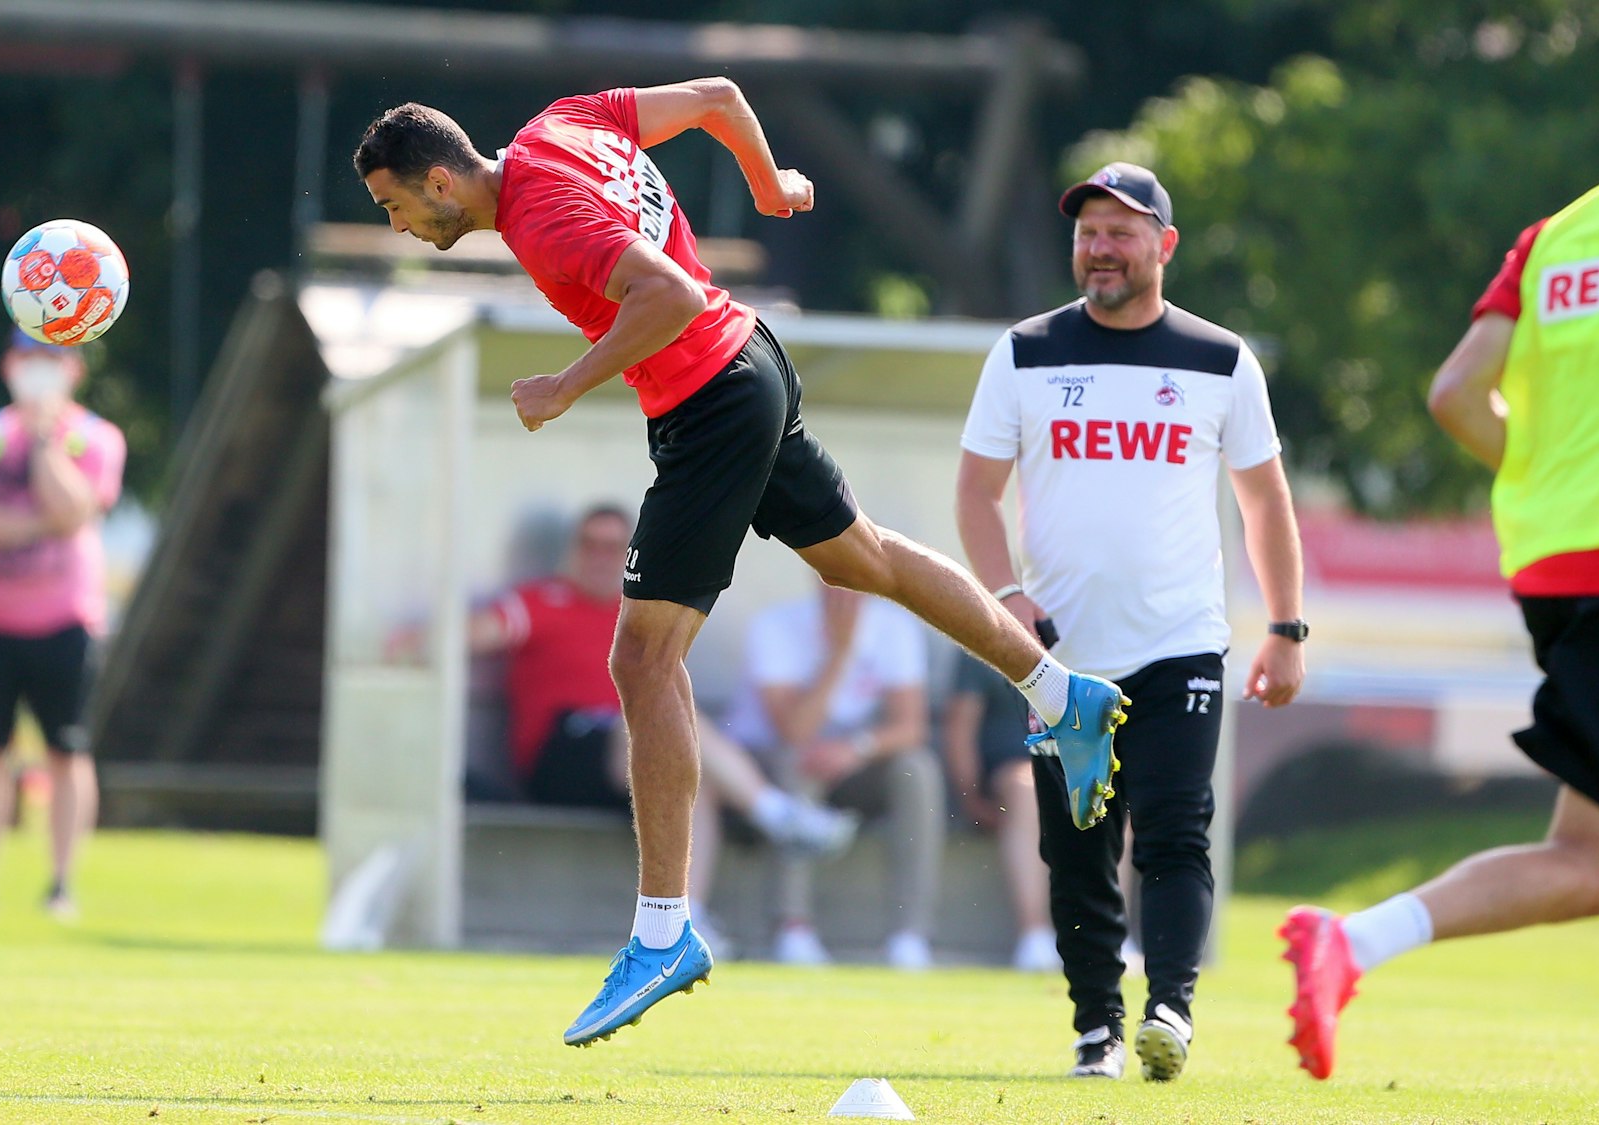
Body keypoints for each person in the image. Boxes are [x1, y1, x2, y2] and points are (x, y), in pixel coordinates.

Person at [353, 79, 1130, 1047]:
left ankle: (663, 933)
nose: (402, 226)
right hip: (747, 359)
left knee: (641, 659)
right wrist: (768, 184)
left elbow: (665, 293)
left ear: (437, 181)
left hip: (707, 397)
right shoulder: (560, 124)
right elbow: (717, 96)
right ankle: (1060, 692)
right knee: (864, 559)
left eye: (395, 207)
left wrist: (564, 383)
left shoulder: (541, 214)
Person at [1281, 16, 1599, 1125]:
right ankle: (1349, 941)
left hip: (1556, 563)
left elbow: (1453, 396)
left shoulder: (1557, 232)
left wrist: (1552, 468)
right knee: (1588, 870)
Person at [956, 161, 1306, 1081]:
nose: (1100, 248)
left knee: (1176, 829)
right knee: (1074, 851)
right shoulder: (1025, 351)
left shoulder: (1221, 360)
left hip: (1180, 643)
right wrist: (1005, 600)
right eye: (1088, 232)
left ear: (1164, 246)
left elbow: (1266, 504)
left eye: (1121, 231)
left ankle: (1171, 1011)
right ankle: (1096, 1030)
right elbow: (976, 492)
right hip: (1059, 659)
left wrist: (1287, 626)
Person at [455, 503, 858, 942]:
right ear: (573, 549)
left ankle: (688, 917)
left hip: (626, 748)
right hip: (562, 751)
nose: (599, 556)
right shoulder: (543, 601)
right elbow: (468, 634)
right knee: (655, 728)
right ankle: (774, 813)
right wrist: (408, 645)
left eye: (613, 547)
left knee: (682, 767)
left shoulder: (638, 612)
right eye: (590, 544)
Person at [0, 330, 125, 918]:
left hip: (64, 621)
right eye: (30, 357)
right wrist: (38, 526)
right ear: (9, 364)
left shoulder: (96, 437)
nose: (40, 369)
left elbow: (77, 511)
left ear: (73, 369)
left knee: (66, 753)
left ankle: (61, 884)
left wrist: (47, 443)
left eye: (52, 358)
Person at [728, 583, 944, 969]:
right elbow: (795, 731)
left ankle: (909, 936)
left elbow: (912, 727)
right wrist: (840, 651)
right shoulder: (776, 624)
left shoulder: (895, 628)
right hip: (769, 766)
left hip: (856, 762)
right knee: (798, 763)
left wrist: (856, 748)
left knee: (918, 769)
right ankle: (792, 926)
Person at [941, 652, 1059, 972]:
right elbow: (960, 726)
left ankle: (1113, 937)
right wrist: (971, 799)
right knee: (1027, 789)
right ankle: (1035, 937)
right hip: (1009, 776)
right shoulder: (984, 637)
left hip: (1071, 771)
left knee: (1112, 802)